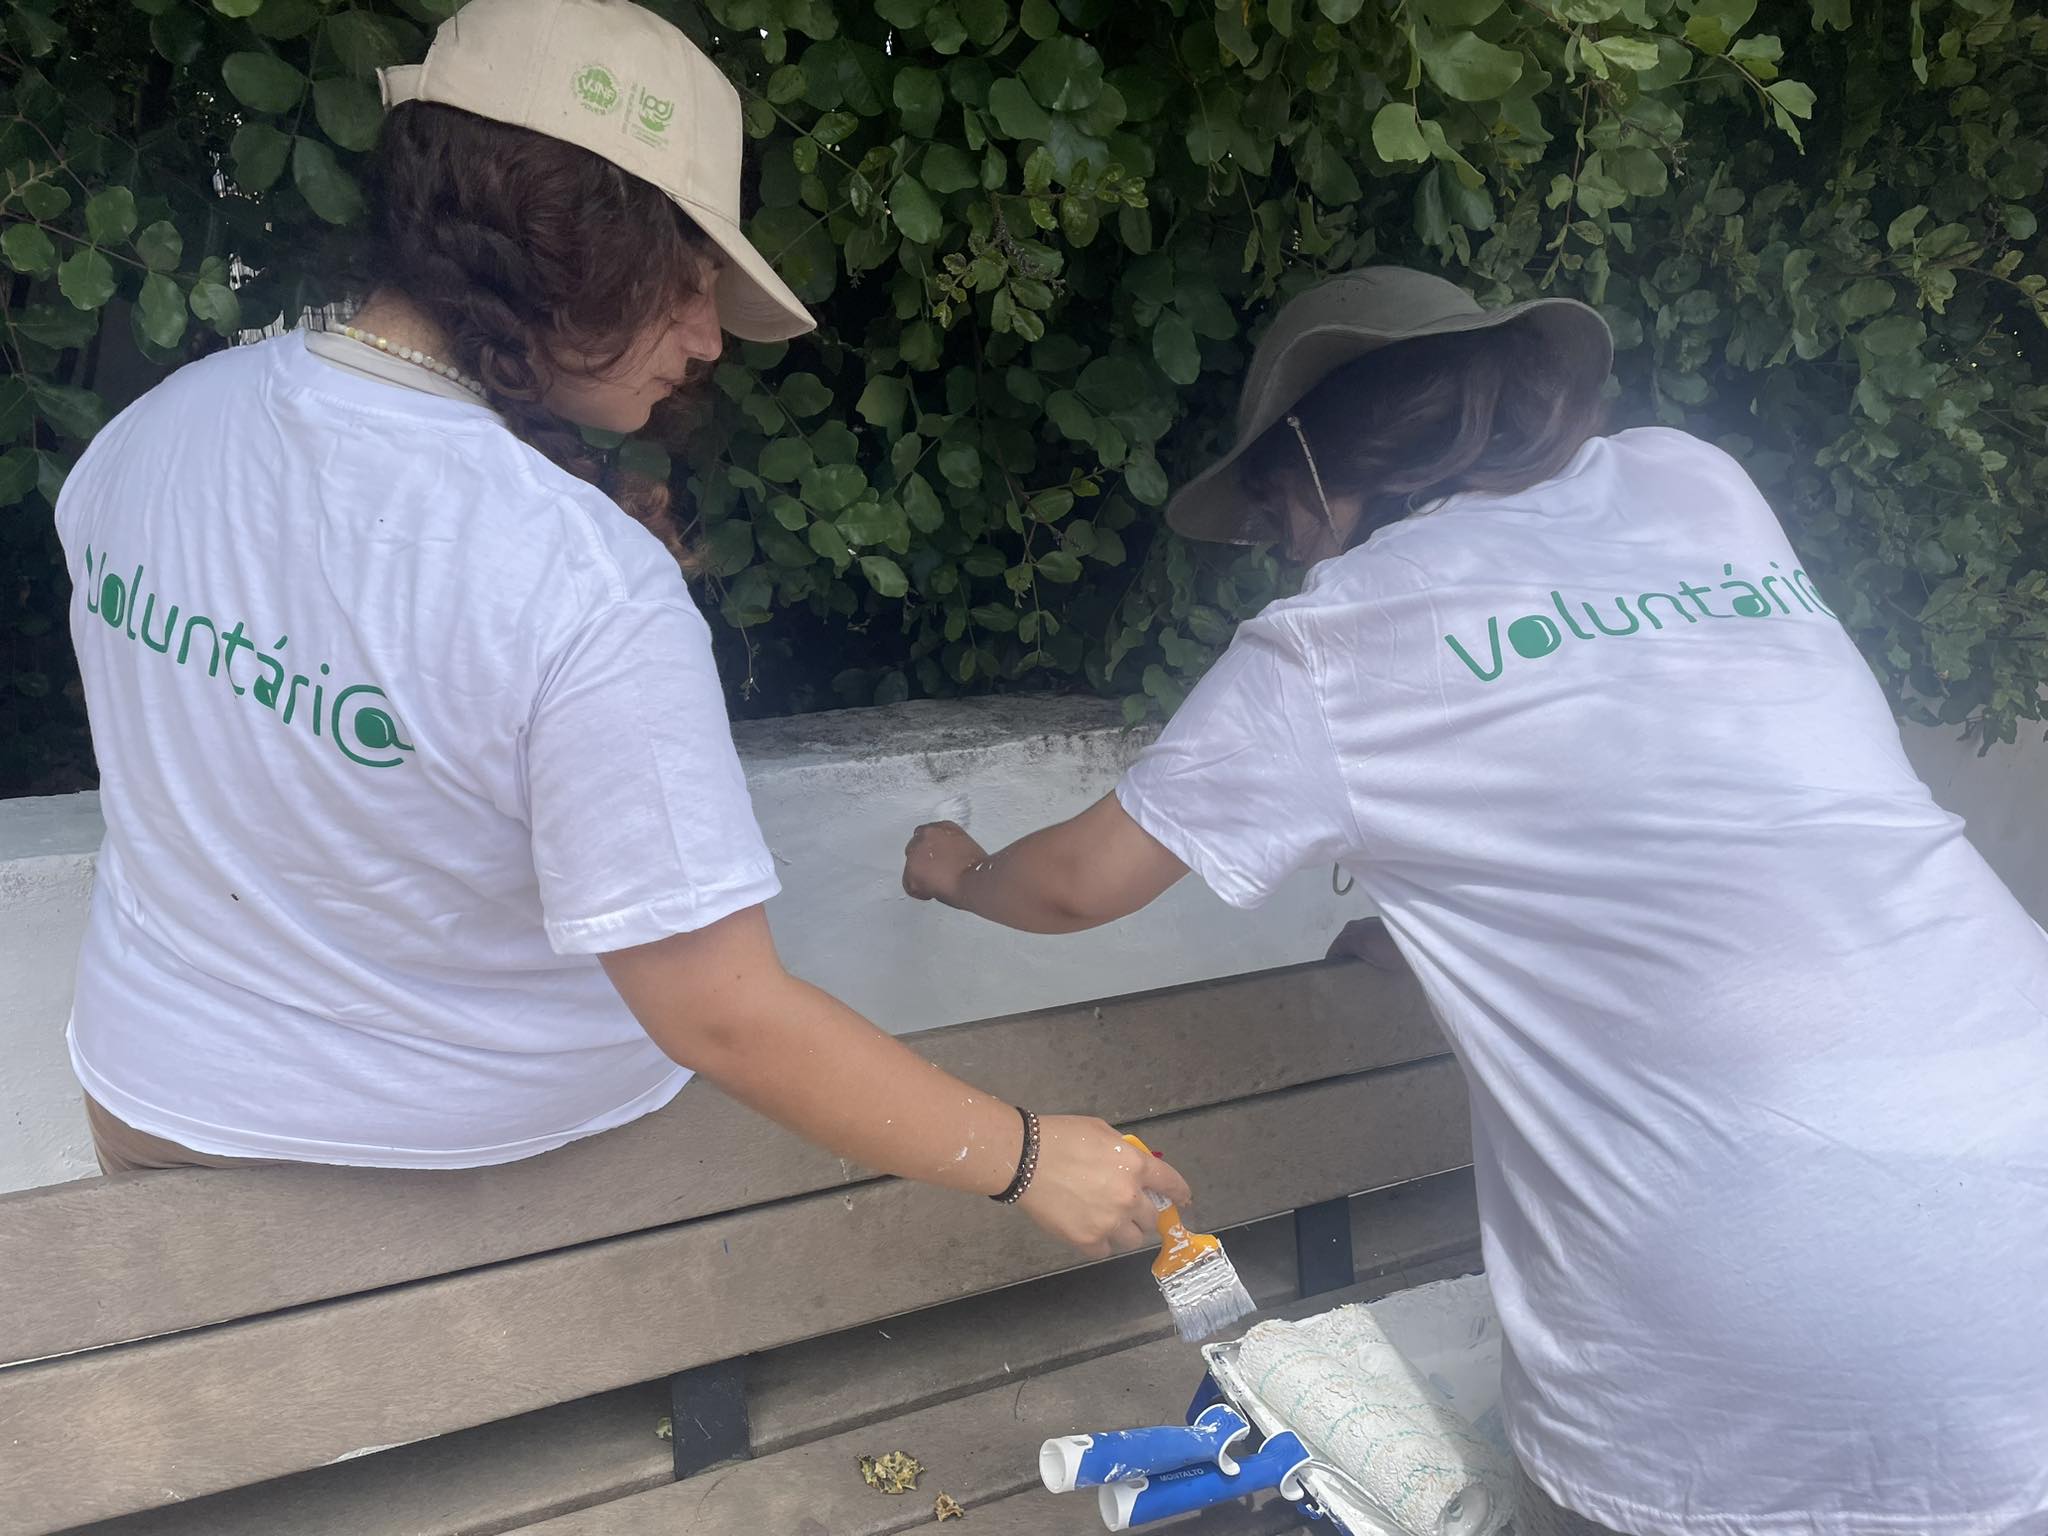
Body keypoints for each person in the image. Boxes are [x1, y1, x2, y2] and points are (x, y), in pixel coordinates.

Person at [903, 268, 2048, 1535]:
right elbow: (1681, 798)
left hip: (1749, 1309)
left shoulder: (1341, 637)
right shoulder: (1694, 482)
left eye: (1275, 522)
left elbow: (1075, 885)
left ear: (1313, 470)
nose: (1288, 557)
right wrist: (1456, 931)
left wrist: (957, 873)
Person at [54, 0, 1189, 1257]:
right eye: (687, 287)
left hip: (151, 1104)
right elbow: (720, 1015)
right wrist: (1025, 1158)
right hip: (430, 1189)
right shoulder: (576, 578)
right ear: (569, 246)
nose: (706, 342)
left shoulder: (158, 428)